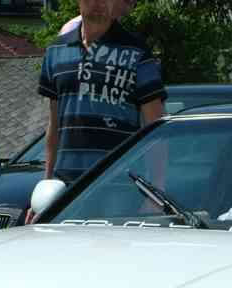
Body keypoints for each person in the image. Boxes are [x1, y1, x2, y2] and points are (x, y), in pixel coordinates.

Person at [37, 0, 166, 185]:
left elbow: (155, 126)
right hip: (66, 188)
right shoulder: (55, 51)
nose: (99, 3)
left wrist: (156, 187)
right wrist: (47, 183)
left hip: (117, 185)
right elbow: (54, 123)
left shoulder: (138, 52)